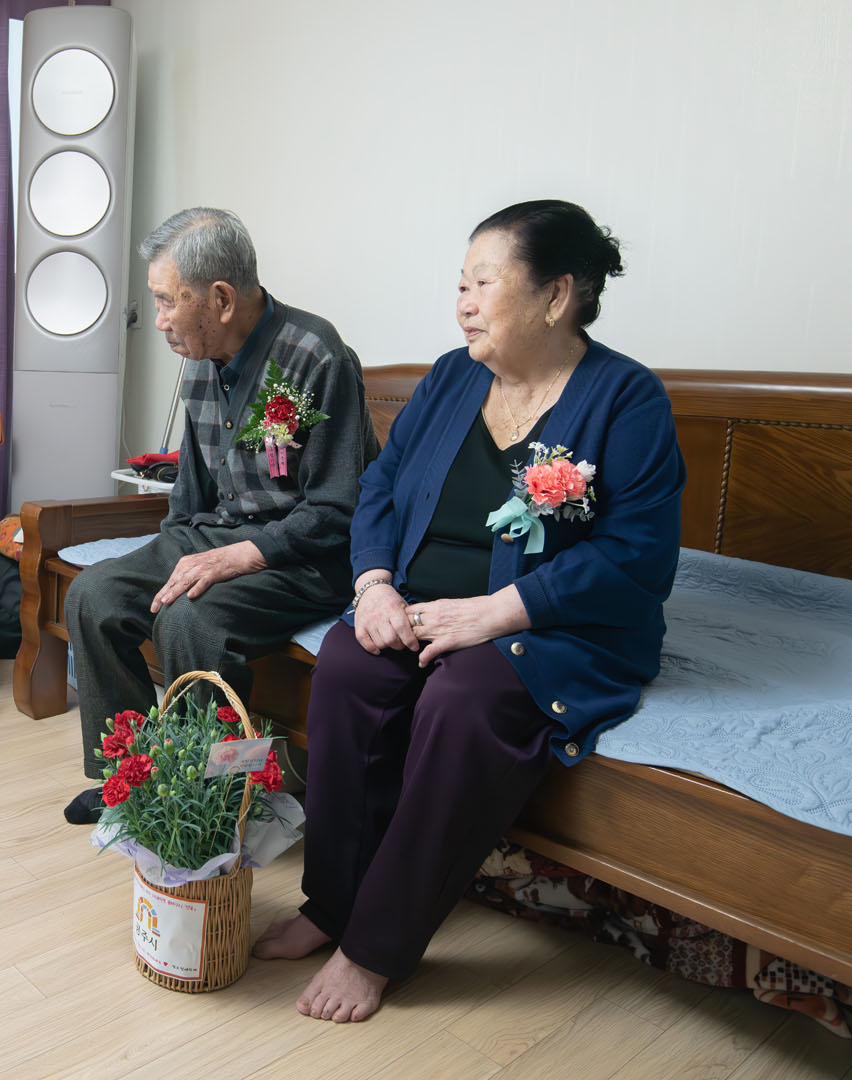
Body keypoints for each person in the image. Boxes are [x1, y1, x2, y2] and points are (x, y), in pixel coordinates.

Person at [252, 200, 686, 1022]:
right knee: (347, 665)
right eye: (461, 284)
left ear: (556, 296)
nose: (464, 303)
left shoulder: (627, 400)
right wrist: (374, 584)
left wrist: (500, 612)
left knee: (463, 699)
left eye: (484, 283)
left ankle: (376, 948)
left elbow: (638, 553)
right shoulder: (452, 377)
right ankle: (332, 905)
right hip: (418, 603)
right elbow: (381, 487)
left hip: (550, 626)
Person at [63, 207, 379, 824]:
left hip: (307, 557)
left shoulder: (316, 355)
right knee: (94, 595)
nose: (158, 320)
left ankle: (217, 800)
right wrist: (166, 557)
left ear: (222, 299)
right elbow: (191, 495)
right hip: (216, 536)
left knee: (191, 620)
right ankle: (133, 781)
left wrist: (236, 557)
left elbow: (338, 507)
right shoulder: (201, 357)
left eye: (166, 301)